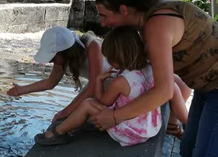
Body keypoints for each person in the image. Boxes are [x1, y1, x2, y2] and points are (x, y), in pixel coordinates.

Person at [92, 0, 218, 157]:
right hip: (207, 85)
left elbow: (164, 90)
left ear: (124, 10)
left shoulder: (156, 25)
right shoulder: (150, 19)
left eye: (104, 15)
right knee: (189, 147)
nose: (102, 23)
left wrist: (114, 116)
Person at [35, 26, 188, 147]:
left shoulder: (120, 82)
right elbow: (172, 90)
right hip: (151, 127)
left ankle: (57, 133)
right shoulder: (151, 69)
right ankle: (186, 125)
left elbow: (102, 102)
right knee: (172, 86)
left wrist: (99, 82)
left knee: (87, 104)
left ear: (117, 59)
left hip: (130, 132)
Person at [7, 26, 111, 123]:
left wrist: (65, 111)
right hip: (96, 85)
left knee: (78, 116)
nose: (51, 61)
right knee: (71, 116)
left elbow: (93, 87)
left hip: (116, 84)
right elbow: (50, 83)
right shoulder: (62, 58)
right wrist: (21, 90)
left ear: (66, 52)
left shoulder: (93, 46)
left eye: (53, 58)